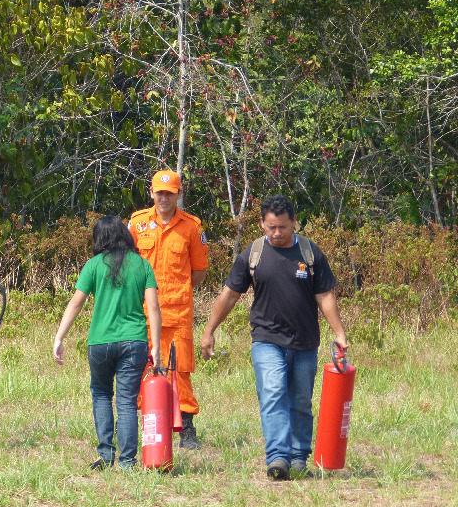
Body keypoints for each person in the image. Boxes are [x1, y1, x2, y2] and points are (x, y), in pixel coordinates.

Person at [199, 194, 348, 480]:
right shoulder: (252, 254)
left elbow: (325, 295)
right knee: (272, 393)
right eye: (270, 227)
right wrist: (209, 331)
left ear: (294, 222)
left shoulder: (310, 253)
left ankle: (298, 456)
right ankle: (278, 456)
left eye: (282, 227)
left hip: (305, 342)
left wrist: (339, 333)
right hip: (266, 340)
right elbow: (230, 295)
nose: (276, 233)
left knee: (301, 400)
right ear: (261, 224)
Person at [53, 216, 162, 470]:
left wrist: (59, 337)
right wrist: (155, 345)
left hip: (100, 342)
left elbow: (76, 303)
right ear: (125, 235)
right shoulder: (143, 265)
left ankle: (105, 455)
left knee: (101, 394)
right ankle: (127, 461)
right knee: (126, 401)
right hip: (134, 341)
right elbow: (154, 308)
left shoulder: (93, 266)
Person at [129, 170, 208, 449]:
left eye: (170, 193)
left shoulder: (192, 227)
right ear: (151, 192)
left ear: (179, 194)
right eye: (159, 192)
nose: (164, 198)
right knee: (139, 367)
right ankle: (143, 422)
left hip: (177, 312)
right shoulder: (137, 224)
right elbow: (127, 263)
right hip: (140, 312)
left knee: (180, 369)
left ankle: (186, 428)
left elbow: (198, 272)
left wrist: (179, 289)